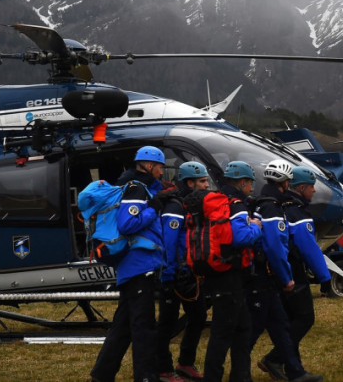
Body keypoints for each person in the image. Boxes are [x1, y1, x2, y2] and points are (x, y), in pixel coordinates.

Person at [90, 146, 169, 382]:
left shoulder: (139, 188)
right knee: (143, 327)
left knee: (123, 327)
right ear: (147, 165)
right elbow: (127, 224)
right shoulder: (137, 189)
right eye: (160, 167)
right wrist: (153, 209)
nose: (161, 172)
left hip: (134, 267)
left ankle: (102, 375)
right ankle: (146, 377)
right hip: (139, 267)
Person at [247, 160, 323, 382]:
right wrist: (288, 277)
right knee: (254, 330)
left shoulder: (262, 203)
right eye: (311, 185)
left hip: (267, 274)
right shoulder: (276, 207)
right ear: (288, 183)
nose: (314, 189)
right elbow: (277, 246)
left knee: (280, 325)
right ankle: (245, 369)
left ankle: (294, 371)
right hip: (272, 275)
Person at [203, 161, 263, 382]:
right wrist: (256, 225)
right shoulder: (236, 205)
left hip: (219, 272)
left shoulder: (220, 201)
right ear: (243, 182)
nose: (251, 188)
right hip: (231, 274)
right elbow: (242, 237)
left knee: (242, 328)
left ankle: (241, 376)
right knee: (222, 334)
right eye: (250, 183)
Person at [157, 162, 211, 381]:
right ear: (190, 183)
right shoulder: (175, 207)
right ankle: (163, 368)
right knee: (166, 322)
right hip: (174, 273)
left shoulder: (193, 205)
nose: (207, 185)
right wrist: (169, 274)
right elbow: (168, 243)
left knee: (198, 316)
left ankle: (185, 363)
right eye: (203, 181)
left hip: (190, 273)